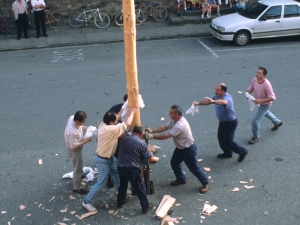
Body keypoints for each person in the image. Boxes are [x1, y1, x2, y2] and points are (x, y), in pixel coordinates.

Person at [82, 106, 138, 212]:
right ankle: (87, 202)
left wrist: (126, 107)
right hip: (103, 161)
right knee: (101, 183)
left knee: (117, 173)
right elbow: (127, 124)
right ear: (112, 122)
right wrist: (133, 112)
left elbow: (118, 116)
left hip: (109, 158)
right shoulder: (111, 129)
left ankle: (119, 190)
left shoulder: (103, 124)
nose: (118, 120)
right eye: (116, 120)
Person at [144, 105, 210, 194]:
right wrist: (152, 131)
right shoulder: (174, 121)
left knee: (194, 168)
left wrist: (152, 137)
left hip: (188, 150)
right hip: (180, 148)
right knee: (174, 163)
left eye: (171, 113)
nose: (169, 114)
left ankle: (206, 183)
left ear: (177, 114)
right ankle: (181, 179)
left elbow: (165, 136)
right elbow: (164, 127)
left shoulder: (180, 125)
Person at [193, 83, 248, 162]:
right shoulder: (217, 96)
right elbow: (209, 102)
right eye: (215, 90)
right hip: (222, 122)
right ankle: (228, 153)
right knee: (221, 140)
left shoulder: (227, 98)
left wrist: (214, 101)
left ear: (223, 91)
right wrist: (198, 103)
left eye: (218, 90)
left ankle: (243, 152)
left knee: (229, 142)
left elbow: (224, 102)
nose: (216, 92)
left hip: (230, 123)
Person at [117, 125, 156, 214]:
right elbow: (151, 158)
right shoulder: (141, 143)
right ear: (142, 134)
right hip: (132, 169)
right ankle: (145, 206)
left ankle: (120, 203)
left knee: (123, 185)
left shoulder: (124, 139)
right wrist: (149, 150)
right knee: (139, 187)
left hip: (121, 166)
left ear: (133, 131)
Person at [246, 67, 283, 144]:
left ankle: (255, 137)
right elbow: (250, 88)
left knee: (255, 121)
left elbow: (273, 98)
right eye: (257, 72)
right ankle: (277, 122)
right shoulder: (254, 80)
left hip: (265, 104)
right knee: (265, 113)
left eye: (260, 73)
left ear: (264, 75)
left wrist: (261, 100)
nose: (257, 74)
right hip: (259, 103)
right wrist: (248, 93)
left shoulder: (267, 84)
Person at [64, 111, 93, 194]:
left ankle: (81, 173)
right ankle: (76, 187)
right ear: (77, 121)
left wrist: (86, 128)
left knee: (79, 164)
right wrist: (87, 140)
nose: (83, 124)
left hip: (74, 147)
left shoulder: (72, 118)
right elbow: (74, 146)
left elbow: (80, 127)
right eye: (82, 123)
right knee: (77, 168)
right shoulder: (72, 132)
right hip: (74, 150)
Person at [106, 94, 128, 188]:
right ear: (124, 101)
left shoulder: (131, 109)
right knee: (110, 160)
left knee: (120, 158)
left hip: (122, 137)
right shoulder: (115, 109)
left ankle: (121, 177)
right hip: (115, 138)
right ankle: (108, 180)